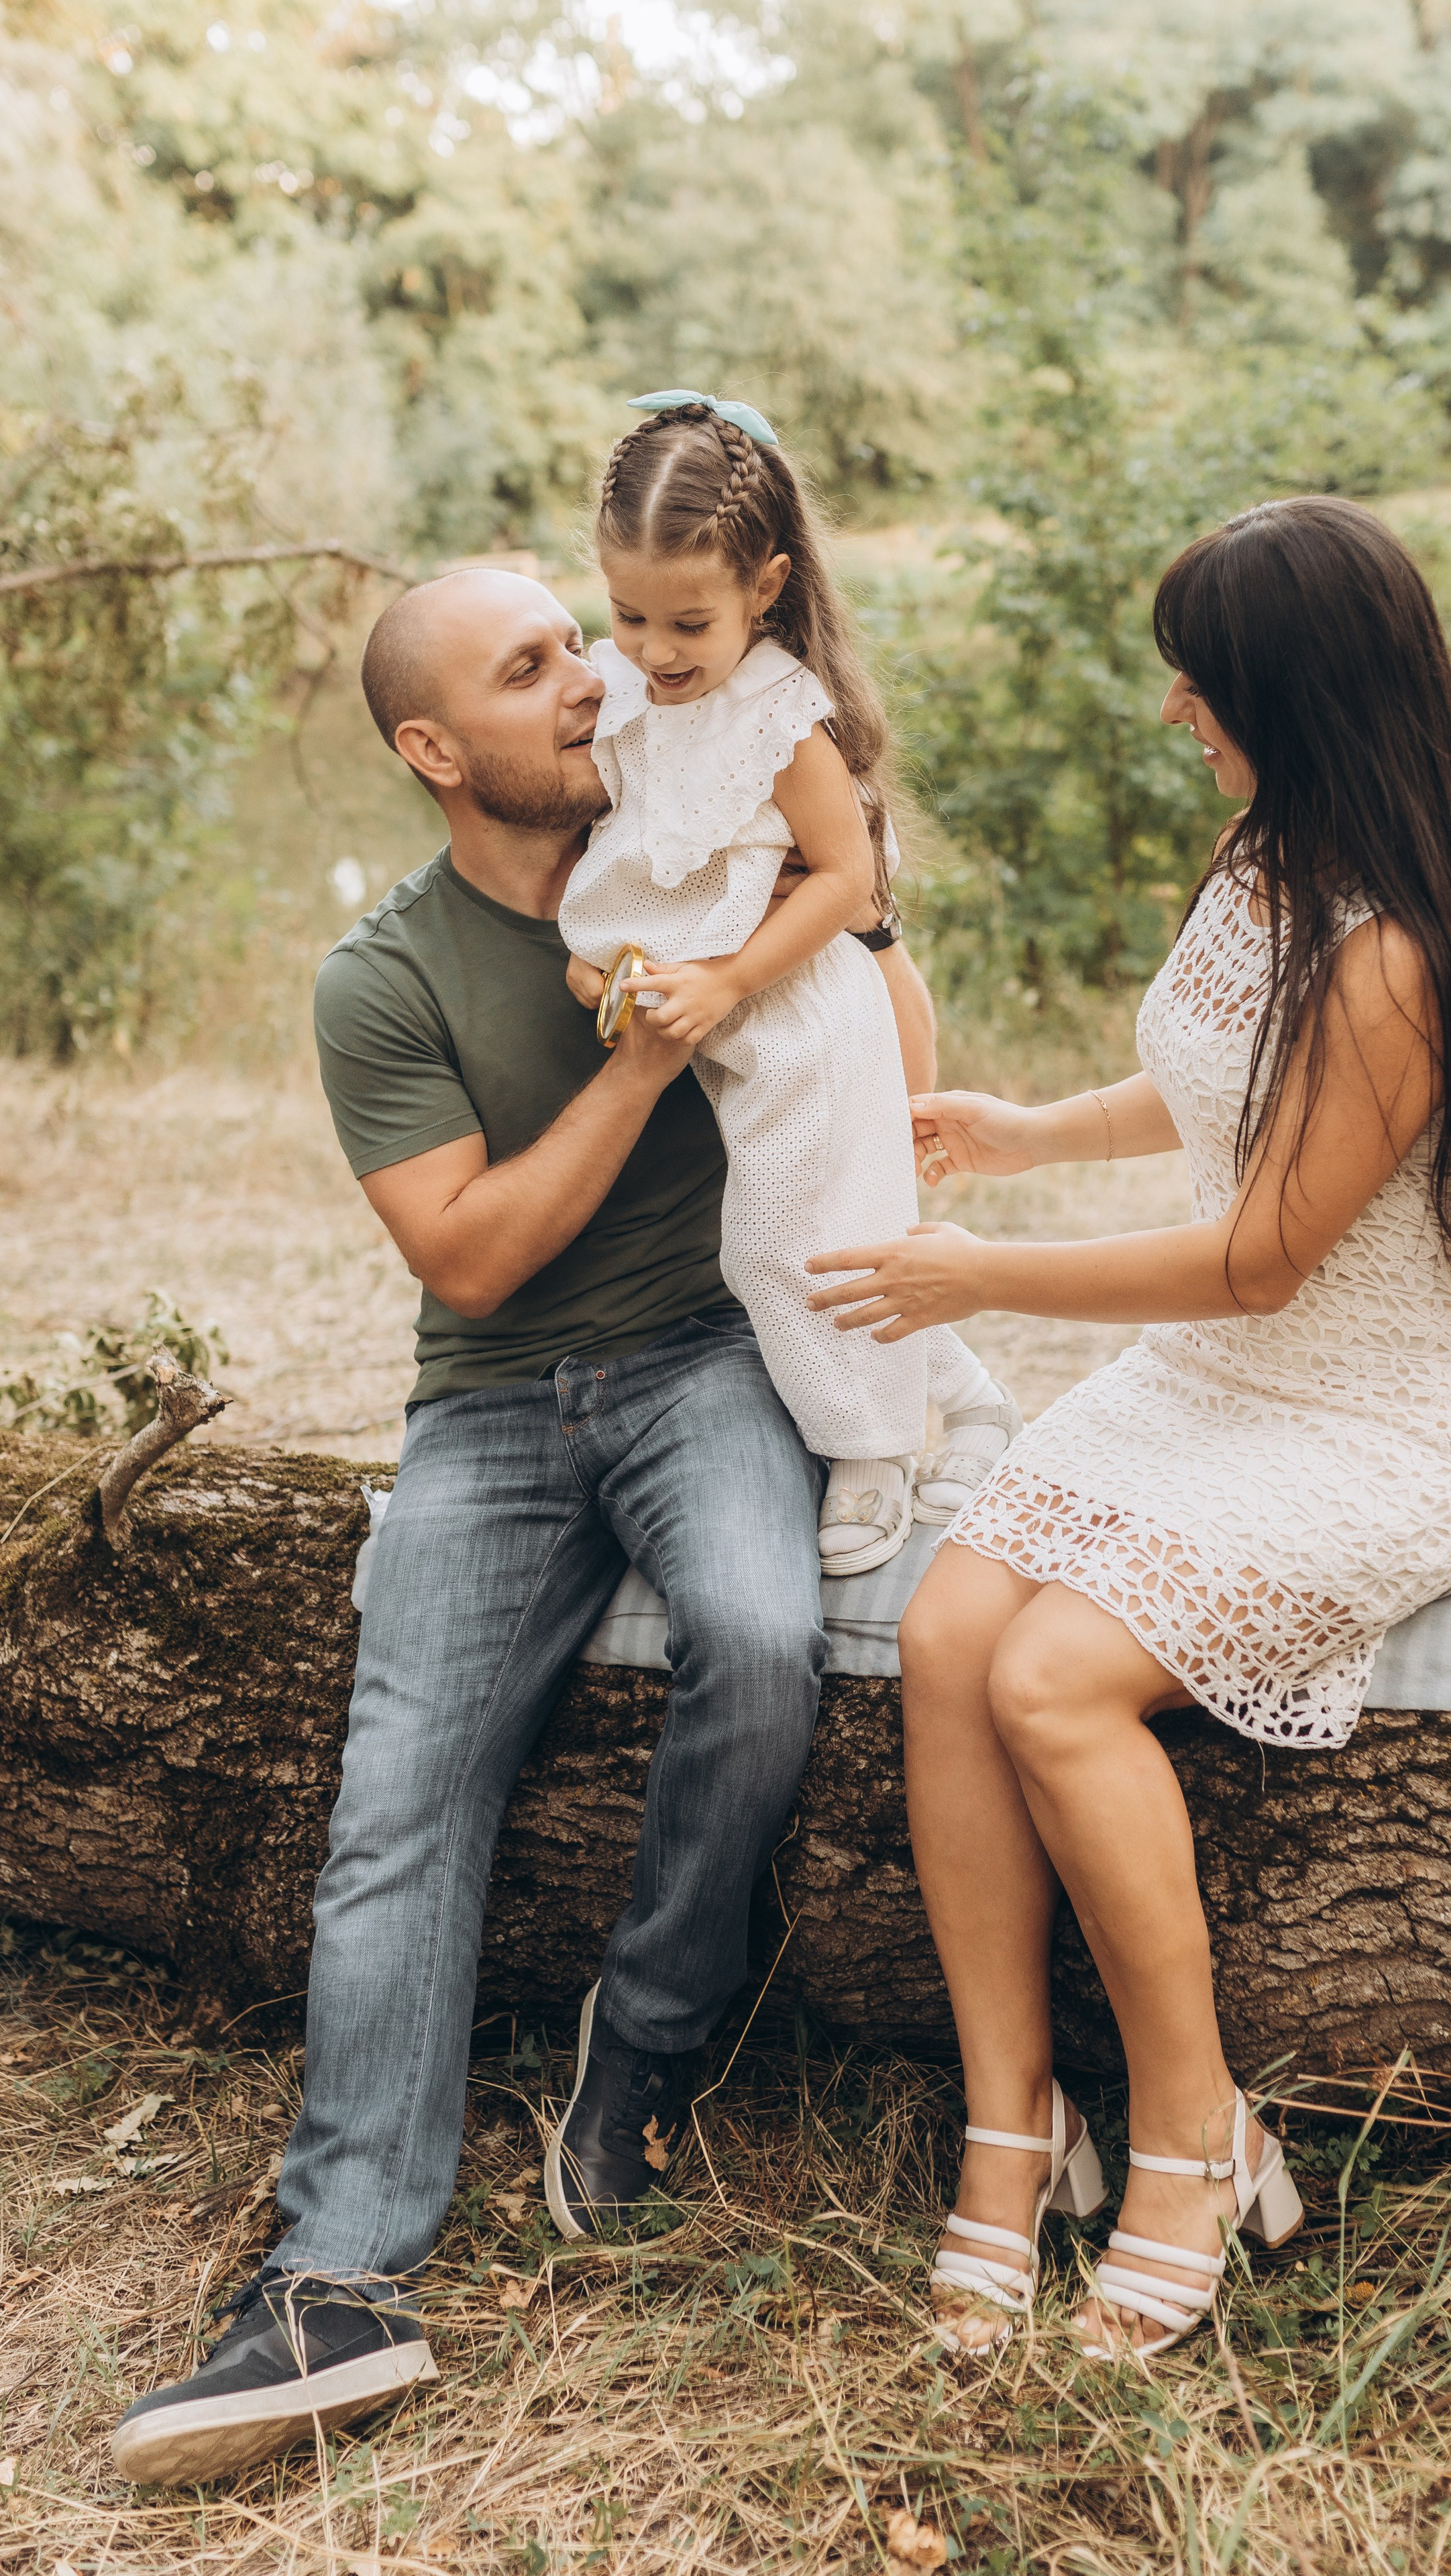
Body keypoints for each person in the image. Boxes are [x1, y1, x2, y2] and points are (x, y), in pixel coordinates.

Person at [108, 561, 943, 2487]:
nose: (589, 679)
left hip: (704, 1359)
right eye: (532, 666)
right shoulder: (381, 977)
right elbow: (471, 1260)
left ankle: (636, 2046)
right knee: (400, 1794)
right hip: (491, 1404)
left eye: (581, 640)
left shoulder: (697, 847)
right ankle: (335, 2282)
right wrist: (643, 1058)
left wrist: (837, 907)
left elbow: (886, 1042)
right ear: (432, 747)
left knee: (762, 1637)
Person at [806, 496, 1451, 2362]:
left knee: (1055, 1678)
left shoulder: (1397, 951)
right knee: (947, 1635)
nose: (1173, 708)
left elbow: (1256, 1259)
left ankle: (1190, 2136)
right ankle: (1014, 2126)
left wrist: (982, 1270)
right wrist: (1030, 1134)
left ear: (1297, 695)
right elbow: (1215, 1078)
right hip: (1218, 1380)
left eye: (1199, 677)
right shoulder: (1265, 852)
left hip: (1383, 1411)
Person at [559, 390, 1020, 1572]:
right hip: (710, 1015)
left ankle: (874, 1449)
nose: (655, 650)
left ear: (765, 588)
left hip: (797, 1012)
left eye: (689, 623)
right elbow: (636, 847)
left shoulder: (780, 717)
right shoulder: (631, 689)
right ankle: (969, 1402)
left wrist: (725, 980)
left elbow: (847, 880)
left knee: (779, 1249)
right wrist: (609, 961)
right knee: (823, 1236)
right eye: (627, 614)